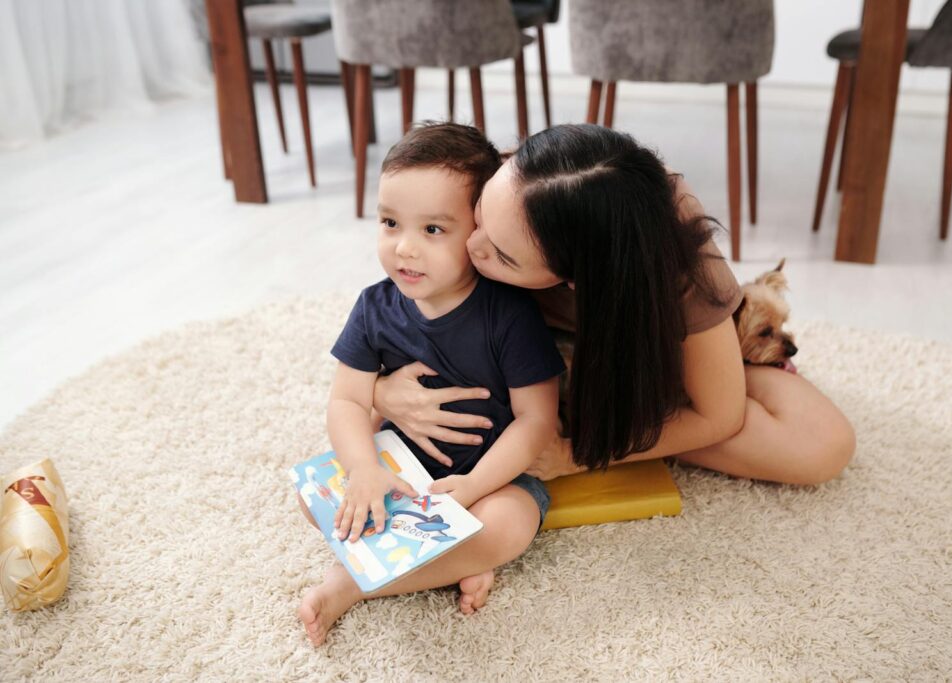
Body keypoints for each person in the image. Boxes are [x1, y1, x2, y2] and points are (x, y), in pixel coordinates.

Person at [373, 124, 857, 609]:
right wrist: (382, 391)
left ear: (575, 280)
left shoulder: (675, 249)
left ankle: (679, 377)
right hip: (513, 365)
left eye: (501, 255)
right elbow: (391, 308)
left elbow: (720, 416)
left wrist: (574, 456)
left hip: (627, 359)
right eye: (478, 216)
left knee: (822, 446)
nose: (473, 248)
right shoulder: (488, 178)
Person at [297, 123, 564, 647]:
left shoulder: (510, 315)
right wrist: (364, 470)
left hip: (490, 480)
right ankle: (453, 561)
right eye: (391, 223)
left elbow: (537, 420)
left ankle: (353, 584)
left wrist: (476, 485)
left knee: (509, 525)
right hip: (400, 468)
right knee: (313, 499)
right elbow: (347, 399)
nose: (405, 249)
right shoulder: (374, 306)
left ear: (479, 231)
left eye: (433, 230)